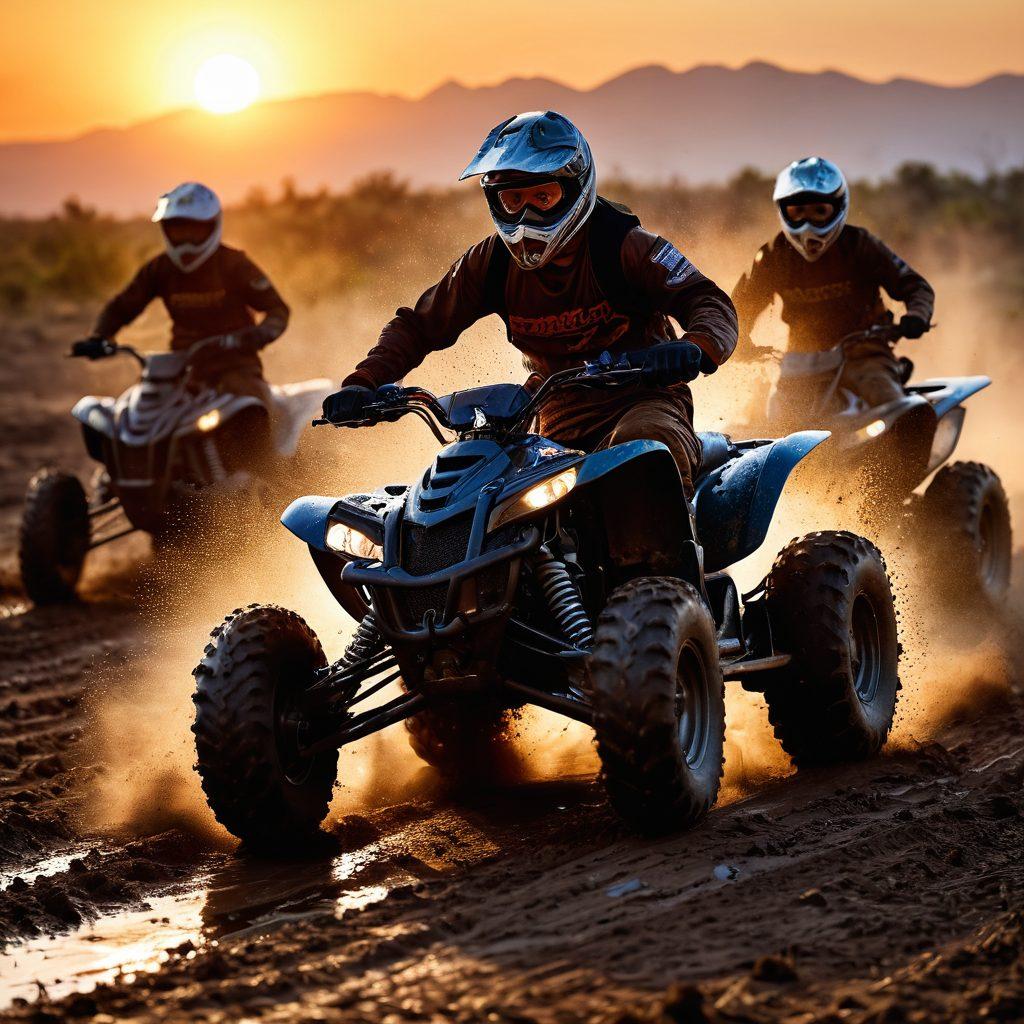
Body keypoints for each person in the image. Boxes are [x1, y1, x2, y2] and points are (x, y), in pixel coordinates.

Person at [322, 111, 737, 497]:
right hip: (548, 416)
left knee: (643, 452)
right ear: (495, 201)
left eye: (542, 196)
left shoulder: (624, 244)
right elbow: (418, 326)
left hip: (644, 400)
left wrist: (695, 346)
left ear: (575, 189)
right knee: (475, 492)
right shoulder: (491, 263)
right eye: (513, 200)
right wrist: (364, 382)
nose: (526, 214)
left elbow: (706, 299)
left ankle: (664, 574)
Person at [731, 157, 934, 418]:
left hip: (864, 353)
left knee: (893, 409)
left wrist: (917, 316)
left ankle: (906, 459)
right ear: (783, 211)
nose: (807, 223)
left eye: (819, 212)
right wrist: (736, 339)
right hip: (800, 361)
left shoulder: (859, 245)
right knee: (773, 423)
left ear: (838, 207)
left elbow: (915, 286)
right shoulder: (773, 256)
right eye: (798, 212)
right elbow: (740, 307)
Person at [74, 182, 289, 405]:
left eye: (194, 230)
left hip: (236, 364)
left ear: (211, 226)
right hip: (178, 369)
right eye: (178, 230)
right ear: (166, 229)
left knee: (252, 407)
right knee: (133, 414)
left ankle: (262, 440)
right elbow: (120, 308)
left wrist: (253, 336)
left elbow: (277, 310)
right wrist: (99, 338)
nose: (186, 239)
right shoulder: (159, 268)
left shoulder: (234, 264)